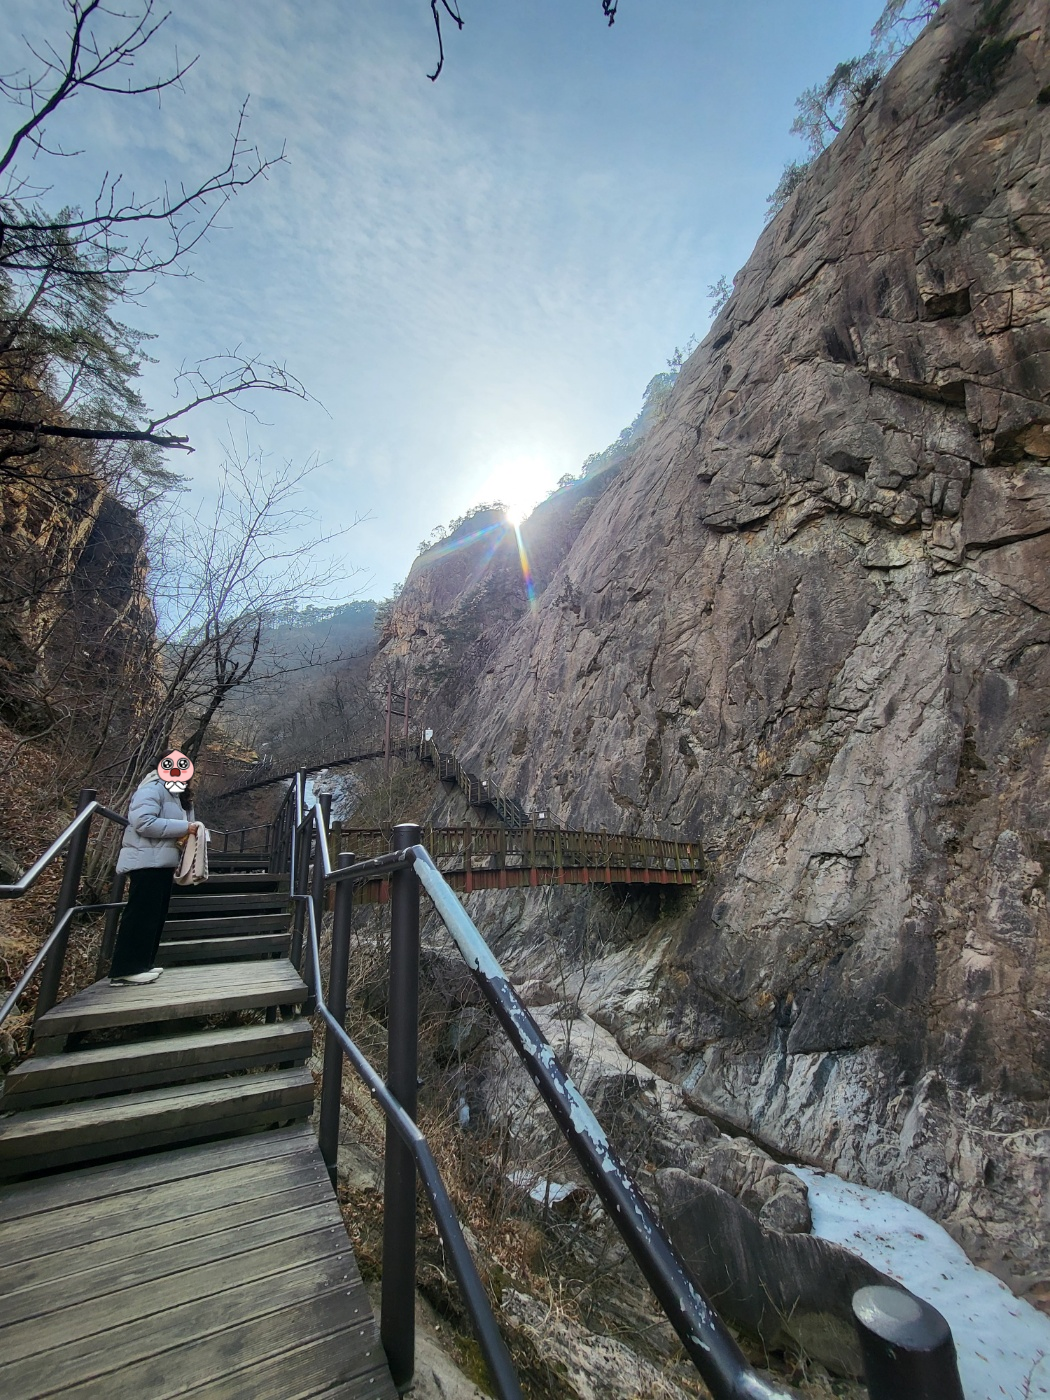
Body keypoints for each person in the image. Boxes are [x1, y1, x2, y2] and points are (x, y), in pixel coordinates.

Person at [109, 749, 201, 985]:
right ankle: (125, 969)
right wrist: (185, 828)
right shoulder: (152, 787)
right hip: (145, 860)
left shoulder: (175, 794)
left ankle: (143, 963)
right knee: (140, 914)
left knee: (154, 915)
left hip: (162, 861)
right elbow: (143, 822)